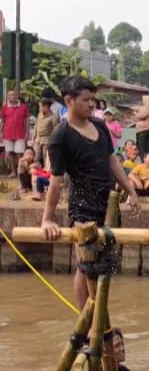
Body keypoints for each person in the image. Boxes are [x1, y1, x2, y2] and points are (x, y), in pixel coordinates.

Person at [41, 76, 140, 310]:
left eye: (93, 100)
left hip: (108, 205)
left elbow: (113, 161)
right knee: (85, 264)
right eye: (86, 100)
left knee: (105, 264)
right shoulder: (61, 136)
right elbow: (56, 182)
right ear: (70, 100)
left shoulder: (99, 125)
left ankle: (99, 316)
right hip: (82, 207)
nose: (92, 104)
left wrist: (131, 191)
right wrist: (47, 219)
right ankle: (85, 318)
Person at [1, 90, 30, 178]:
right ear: (8, 97)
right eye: (10, 95)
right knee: (10, 153)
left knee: (20, 154)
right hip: (7, 134)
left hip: (20, 134)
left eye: (14, 95)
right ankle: (13, 172)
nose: (12, 96)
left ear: (17, 96)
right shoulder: (5, 107)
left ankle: (21, 171)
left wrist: (27, 133)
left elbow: (27, 121)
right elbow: (3, 121)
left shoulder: (23, 107)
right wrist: (0, 132)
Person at [33, 98, 60, 169]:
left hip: (47, 139)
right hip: (38, 139)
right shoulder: (40, 115)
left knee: (46, 156)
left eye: (41, 106)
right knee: (36, 156)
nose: (40, 108)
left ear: (46, 107)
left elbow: (55, 130)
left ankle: (47, 171)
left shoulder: (53, 117)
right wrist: (34, 137)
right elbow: (36, 125)